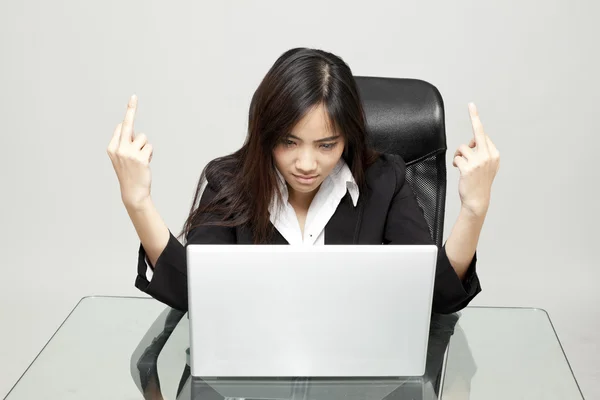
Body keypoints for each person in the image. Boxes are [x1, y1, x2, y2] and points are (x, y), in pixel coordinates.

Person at [107, 47, 500, 315]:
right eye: (288, 142)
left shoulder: (385, 180)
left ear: (348, 137)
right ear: (265, 133)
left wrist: (474, 209)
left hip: (361, 378)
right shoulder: (230, 180)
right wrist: (137, 202)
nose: (307, 163)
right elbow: (191, 291)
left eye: (327, 144)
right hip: (255, 376)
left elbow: (436, 296)